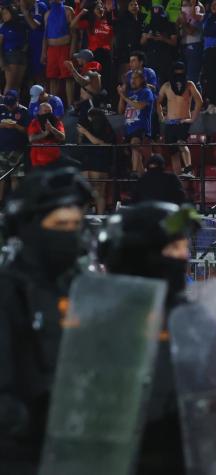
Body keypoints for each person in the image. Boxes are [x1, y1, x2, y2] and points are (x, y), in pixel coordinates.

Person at [97, 201, 201, 474]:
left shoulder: (196, 319)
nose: (183, 257)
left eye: (184, 248)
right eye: (172, 249)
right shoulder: (99, 321)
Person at [0, 168, 92, 475]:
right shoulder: (8, 291)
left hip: (85, 451)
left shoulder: (86, 287)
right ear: (29, 228)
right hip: (20, 456)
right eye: (59, 225)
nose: (68, 233)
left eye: (74, 225)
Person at [156, 62, 202, 177]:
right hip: (170, 122)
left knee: (181, 143)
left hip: (183, 121)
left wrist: (192, 118)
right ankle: (178, 178)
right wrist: (161, 116)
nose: (178, 75)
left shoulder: (189, 85)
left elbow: (199, 101)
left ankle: (189, 169)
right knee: (173, 152)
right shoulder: (166, 86)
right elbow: (157, 102)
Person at [69, 1, 114, 104]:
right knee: (92, 80)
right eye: (98, 8)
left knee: (107, 80)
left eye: (102, 7)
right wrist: (80, 13)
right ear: (93, 11)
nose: (101, 9)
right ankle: (88, 103)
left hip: (106, 55)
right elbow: (73, 25)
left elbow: (111, 41)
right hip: (94, 55)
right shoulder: (90, 23)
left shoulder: (108, 22)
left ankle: (106, 104)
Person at [76, 108, 117, 213]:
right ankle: (84, 217)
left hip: (100, 162)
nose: (90, 120)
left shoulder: (107, 130)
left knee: (99, 192)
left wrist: (85, 132)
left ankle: (100, 216)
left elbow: (99, 142)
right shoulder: (88, 127)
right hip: (86, 161)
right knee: (84, 192)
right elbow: (80, 143)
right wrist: (81, 133)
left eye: (92, 118)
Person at [119, 71, 155, 175]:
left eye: (136, 78)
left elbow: (140, 106)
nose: (133, 81)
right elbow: (120, 110)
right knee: (134, 155)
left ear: (142, 80)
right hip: (129, 128)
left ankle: (134, 171)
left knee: (135, 144)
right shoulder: (130, 93)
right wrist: (122, 96)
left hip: (141, 127)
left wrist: (125, 97)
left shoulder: (146, 92)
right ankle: (142, 178)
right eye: (131, 78)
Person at [41, 0, 73, 102]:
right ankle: (53, 103)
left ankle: (71, 104)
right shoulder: (47, 14)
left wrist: (73, 50)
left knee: (68, 77)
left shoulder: (68, 10)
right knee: (52, 77)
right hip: (51, 49)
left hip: (65, 47)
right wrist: (43, 52)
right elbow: (45, 35)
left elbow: (75, 33)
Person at [0, 90, 30, 199]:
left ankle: (14, 202)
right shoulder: (1, 108)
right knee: (1, 177)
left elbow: (27, 130)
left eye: (12, 104)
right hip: (1, 148)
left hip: (17, 149)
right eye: (8, 104)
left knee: (15, 177)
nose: (9, 107)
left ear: (17, 101)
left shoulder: (24, 111)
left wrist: (15, 126)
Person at [142, 5, 179, 86]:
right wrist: (148, 36)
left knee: (165, 82)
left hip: (165, 58)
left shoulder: (170, 25)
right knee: (151, 81)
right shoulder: (149, 26)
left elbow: (174, 42)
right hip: (151, 57)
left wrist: (163, 39)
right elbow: (142, 42)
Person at [63, 49, 103, 123]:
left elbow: (84, 82)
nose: (77, 59)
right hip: (85, 104)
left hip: (90, 106)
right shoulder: (86, 69)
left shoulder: (91, 71)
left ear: (83, 59)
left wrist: (72, 69)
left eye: (78, 57)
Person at [114, 0, 145, 87]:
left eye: (135, 4)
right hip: (126, 51)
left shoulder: (142, 19)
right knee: (125, 75)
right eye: (131, 5)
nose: (134, 6)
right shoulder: (124, 20)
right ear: (128, 8)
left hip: (138, 50)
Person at [0, 4, 29, 95]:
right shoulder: (3, 27)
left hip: (21, 54)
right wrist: (2, 61)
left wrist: (25, 47)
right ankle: (5, 106)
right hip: (10, 55)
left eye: (6, 13)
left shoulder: (21, 24)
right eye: (2, 14)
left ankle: (15, 105)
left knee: (17, 85)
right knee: (10, 84)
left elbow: (26, 38)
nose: (4, 16)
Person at [27, 102, 65, 168]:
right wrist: (45, 133)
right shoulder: (34, 122)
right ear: (39, 112)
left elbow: (62, 137)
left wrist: (52, 129)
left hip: (54, 158)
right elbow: (31, 139)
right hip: (38, 160)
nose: (48, 113)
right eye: (45, 111)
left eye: (50, 111)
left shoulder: (57, 122)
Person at [22, 0, 48, 88]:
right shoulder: (27, 6)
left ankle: (43, 97)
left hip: (39, 44)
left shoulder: (40, 5)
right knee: (31, 74)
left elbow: (34, 26)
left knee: (39, 74)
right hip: (29, 45)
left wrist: (25, 12)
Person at [177, 0, 205, 85]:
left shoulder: (198, 6)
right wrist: (179, 23)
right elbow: (178, 27)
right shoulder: (183, 6)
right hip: (183, 45)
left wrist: (183, 23)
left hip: (195, 45)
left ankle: (195, 98)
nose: (184, 7)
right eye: (183, 5)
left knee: (192, 80)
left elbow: (191, 31)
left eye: (186, 5)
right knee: (183, 78)